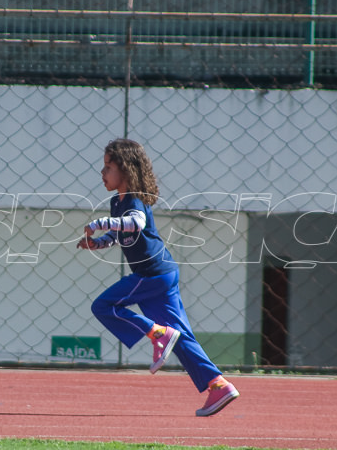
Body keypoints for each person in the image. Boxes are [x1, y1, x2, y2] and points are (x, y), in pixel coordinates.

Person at [78, 138, 239, 416]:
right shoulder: (117, 202)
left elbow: (136, 224)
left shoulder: (135, 200)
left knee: (104, 306)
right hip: (163, 274)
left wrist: (99, 223)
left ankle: (157, 333)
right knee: (182, 337)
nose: (102, 173)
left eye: (107, 167)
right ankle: (218, 384)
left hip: (150, 275)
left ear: (126, 170)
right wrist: (99, 242)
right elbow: (121, 234)